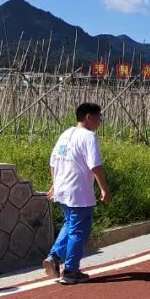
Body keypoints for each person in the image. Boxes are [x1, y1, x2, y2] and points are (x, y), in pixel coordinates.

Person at [43, 102, 112, 285]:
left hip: (63, 189)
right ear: (88, 117)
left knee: (70, 224)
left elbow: (53, 162)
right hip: (78, 192)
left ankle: (54, 257)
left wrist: (55, 184)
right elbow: (95, 165)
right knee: (79, 231)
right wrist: (104, 189)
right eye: (98, 117)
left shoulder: (66, 134)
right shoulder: (89, 136)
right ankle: (71, 271)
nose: (100, 121)